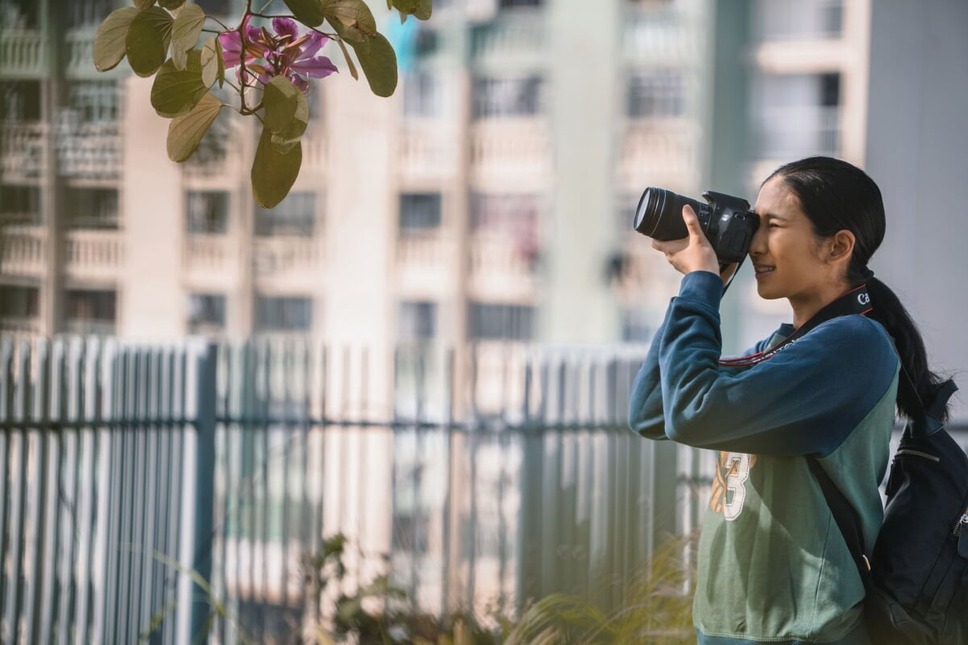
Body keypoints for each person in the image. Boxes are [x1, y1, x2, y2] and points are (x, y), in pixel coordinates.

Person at [627, 156, 952, 644]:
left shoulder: (854, 345)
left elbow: (694, 412)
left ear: (837, 246)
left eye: (773, 226)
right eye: (753, 224)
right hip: (727, 627)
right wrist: (705, 288)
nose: (755, 242)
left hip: (802, 632)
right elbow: (653, 409)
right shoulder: (779, 349)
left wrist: (700, 285)